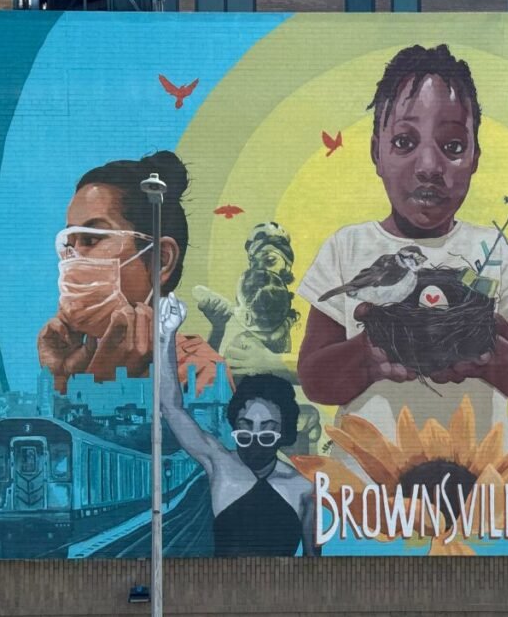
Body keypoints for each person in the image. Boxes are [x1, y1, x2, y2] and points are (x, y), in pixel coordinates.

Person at [296, 44, 508, 448]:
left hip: (477, 487)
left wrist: (490, 352)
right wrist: (369, 355)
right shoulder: (347, 247)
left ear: (474, 158)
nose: (430, 168)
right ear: (375, 153)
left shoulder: (493, 249)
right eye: (404, 142)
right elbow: (314, 378)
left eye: (453, 147)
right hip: (371, 489)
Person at [36, 151, 227, 394]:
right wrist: (60, 379)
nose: (73, 259)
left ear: (161, 260)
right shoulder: (76, 362)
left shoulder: (199, 372)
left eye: (91, 239)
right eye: (69, 244)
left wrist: (105, 381)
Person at [157, 294, 320, 557]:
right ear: (236, 424)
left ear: (283, 431)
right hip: (221, 596)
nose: (255, 436)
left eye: (266, 427)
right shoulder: (220, 464)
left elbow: (315, 565)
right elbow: (172, 408)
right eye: (247, 425)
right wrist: (166, 337)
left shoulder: (303, 488)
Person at [193, 221, 301, 383]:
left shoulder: (309, 310)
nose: (261, 270)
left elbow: (335, 367)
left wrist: (272, 363)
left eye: (270, 260)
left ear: (287, 264)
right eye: (254, 264)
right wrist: (218, 328)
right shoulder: (244, 313)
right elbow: (210, 379)